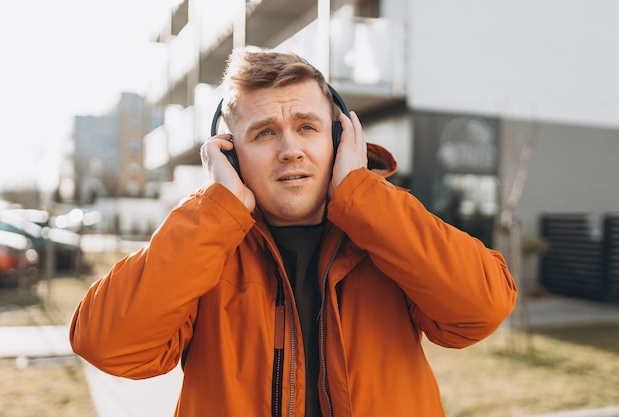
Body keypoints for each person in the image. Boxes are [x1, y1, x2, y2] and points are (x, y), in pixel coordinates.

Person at [69, 48, 517, 417]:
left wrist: (362, 196)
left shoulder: (388, 232)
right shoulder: (206, 245)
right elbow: (110, 345)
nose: (290, 150)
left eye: (307, 126)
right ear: (230, 155)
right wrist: (216, 211)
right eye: (264, 133)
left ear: (341, 140)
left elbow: (481, 309)